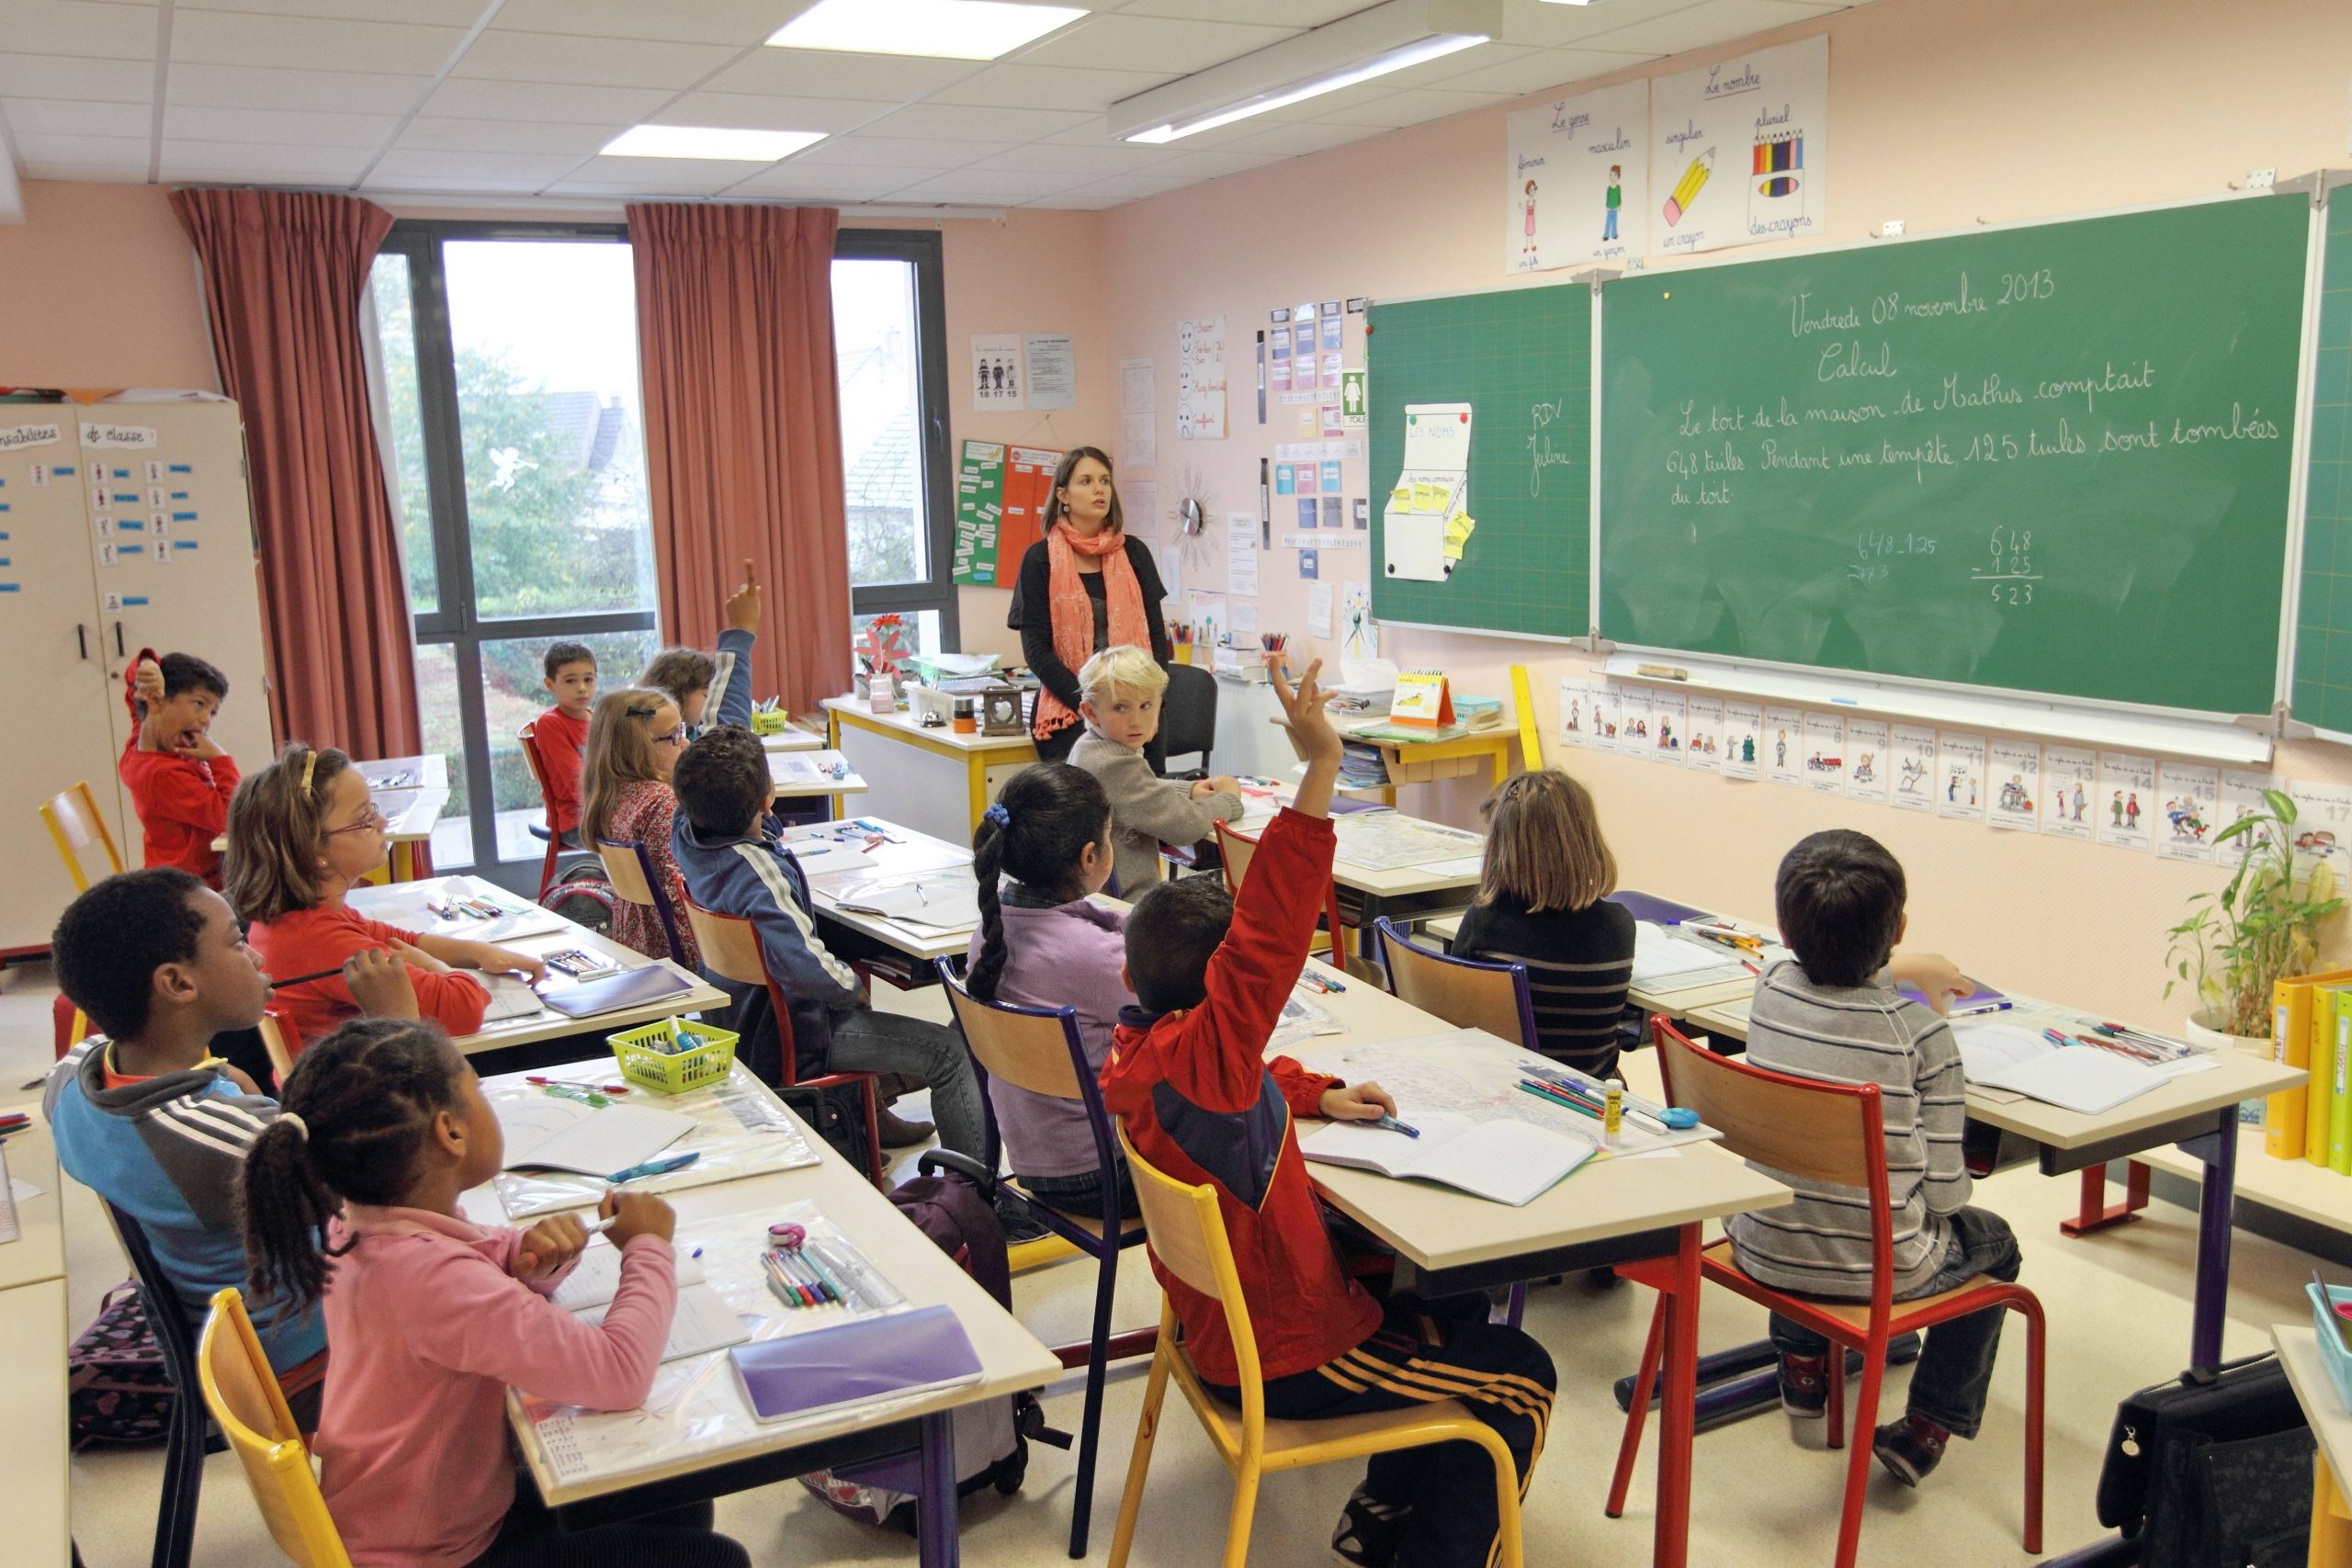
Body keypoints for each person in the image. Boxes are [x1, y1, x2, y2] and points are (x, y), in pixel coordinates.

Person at [1102, 655, 1555, 1568]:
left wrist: (1316, 1094)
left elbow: (1245, 1064)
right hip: (1288, 1350)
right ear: (1219, 999)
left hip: (1218, 1328)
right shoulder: (1211, 1053)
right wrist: (1319, 768)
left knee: (1448, 1302)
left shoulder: (1141, 1051)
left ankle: (1384, 1518)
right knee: (1521, 1382)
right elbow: (1268, 935)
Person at [240, 1019, 751, 1568]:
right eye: (476, 1089)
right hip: (436, 1553)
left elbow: (469, 1257)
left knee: (673, 1485)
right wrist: (648, 1246)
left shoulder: (357, 1226)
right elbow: (620, 1375)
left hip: (397, 1512)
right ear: (450, 1133)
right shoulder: (438, 1282)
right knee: (717, 1559)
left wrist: (523, 1254)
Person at [44, 869, 412, 1431]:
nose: (258, 958)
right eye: (238, 942)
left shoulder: (72, 1081)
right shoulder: (225, 1141)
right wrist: (399, 1028)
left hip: (226, 1335)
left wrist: (221, 1080)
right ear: (178, 984)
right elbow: (400, 1172)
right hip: (303, 1358)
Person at [1725, 829, 2016, 1487]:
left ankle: (1802, 1367)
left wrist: (1902, 965)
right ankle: (1925, 1429)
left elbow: (1826, 976)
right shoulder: (1926, 1036)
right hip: (1877, 1269)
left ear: (1783, 924)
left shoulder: (1770, 988)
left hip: (1757, 1244)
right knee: (1995, 1245)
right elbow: (1945, 1199)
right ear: (1901, 925)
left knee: (1804, 1182)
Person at [669, 726, 984, 1158]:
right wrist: (852, 987)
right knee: (950, 1053)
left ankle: (869, 1108)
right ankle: (971, 1195)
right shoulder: (757, 874)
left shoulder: (689, 838)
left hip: (735, 1022)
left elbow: (709, 814)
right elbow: (809, 970)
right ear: (768, 795)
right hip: (791, 1037)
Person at [232, 743, 541, 1046]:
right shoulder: (320, 938)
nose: (381, 822)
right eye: (364, 819)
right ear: (313, 850)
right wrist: (433, 965)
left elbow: (397, 937)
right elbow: (463, 1009)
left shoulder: (307, 915)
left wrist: (478, 952)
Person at [966, 763, 1136, 1218]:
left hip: (1031, 1162)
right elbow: (1188, 1006)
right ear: (1089, 858)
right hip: (1103, 1175)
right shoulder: (1099, 959)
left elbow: (1089, 929)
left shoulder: (991, 930)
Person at [1450, 769, 1636, 1079]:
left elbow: (1455, 1011)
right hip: (1592, 1096)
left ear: (1501, 849)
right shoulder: (1619, 925)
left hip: (1507, 1087)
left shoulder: (1484, 922)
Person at [1007, 447, 1172, 762]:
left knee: (1147, 803)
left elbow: (1155, 639)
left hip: (1139, 713)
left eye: (1105, 480)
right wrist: (1093, 706)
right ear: (1062, 495)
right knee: (1086, 807)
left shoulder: (1134, 553)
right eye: (1086, 481)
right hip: (1072, 714)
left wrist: (1151, 701)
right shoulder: (1039, 560)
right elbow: (1037, 652)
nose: (1099, 489)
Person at [1067, 645, 1242, 897]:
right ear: (1091, 712)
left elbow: (1137, 789)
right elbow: (1184, 825)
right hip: (1123, 902)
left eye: (1146, 706)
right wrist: (1228, 802)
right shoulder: (1114, 764)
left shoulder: (1092, 747)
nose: (1136, 720)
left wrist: (1188, 789)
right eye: (1120, 708)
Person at [579, 687, 699, 970]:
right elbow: (678, 896)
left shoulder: (611, 795)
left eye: (682, 730)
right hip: (671, 950)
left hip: (635, 940)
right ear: (638, 749)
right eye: (673, 737)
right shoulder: (662, 803)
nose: (685, 744)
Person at [120, 649, 238, 884]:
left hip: (187, 876)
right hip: (193, 888)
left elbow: (136, 690)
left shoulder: (143, 742)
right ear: (155, 700)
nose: (206, 719)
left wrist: (147, 664)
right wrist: (220, 759)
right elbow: (232, 816)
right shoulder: (163, 774)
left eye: (212, 712)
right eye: (198, 704)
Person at [639, 560, 761, 744]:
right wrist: (741, 631)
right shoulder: (666, 744)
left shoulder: (686, 736)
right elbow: (727, 742)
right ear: (677, 698)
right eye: (708, 695)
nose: (713, 702)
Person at [532, 641, 597, 846]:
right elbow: (575, 783)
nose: (582, 688)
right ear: (550, 684)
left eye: (589, 679)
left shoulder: (595, 718)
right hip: (576, 821)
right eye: (570, 681)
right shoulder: (550, 723)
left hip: (600, 810)